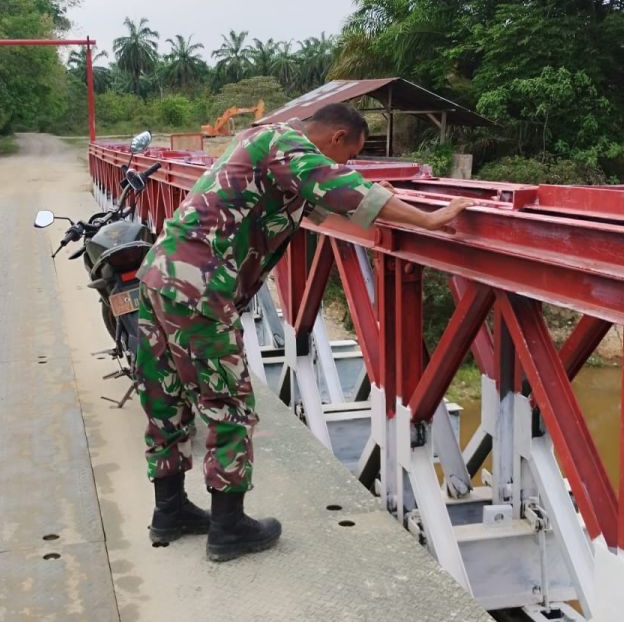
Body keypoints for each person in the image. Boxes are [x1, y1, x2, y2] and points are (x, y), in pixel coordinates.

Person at [135, 103, 476, 562]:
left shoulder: (264, 142)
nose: (345, 165)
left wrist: (384, 198)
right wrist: (430, 219)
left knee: (166, 395)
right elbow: (336, 186)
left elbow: (318, 201)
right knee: (228, 403)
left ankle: (169, 511)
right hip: (198, 284)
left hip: (160, 274)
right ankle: (229, 527)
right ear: (336, 137)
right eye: (349, 155)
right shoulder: (287, 144)